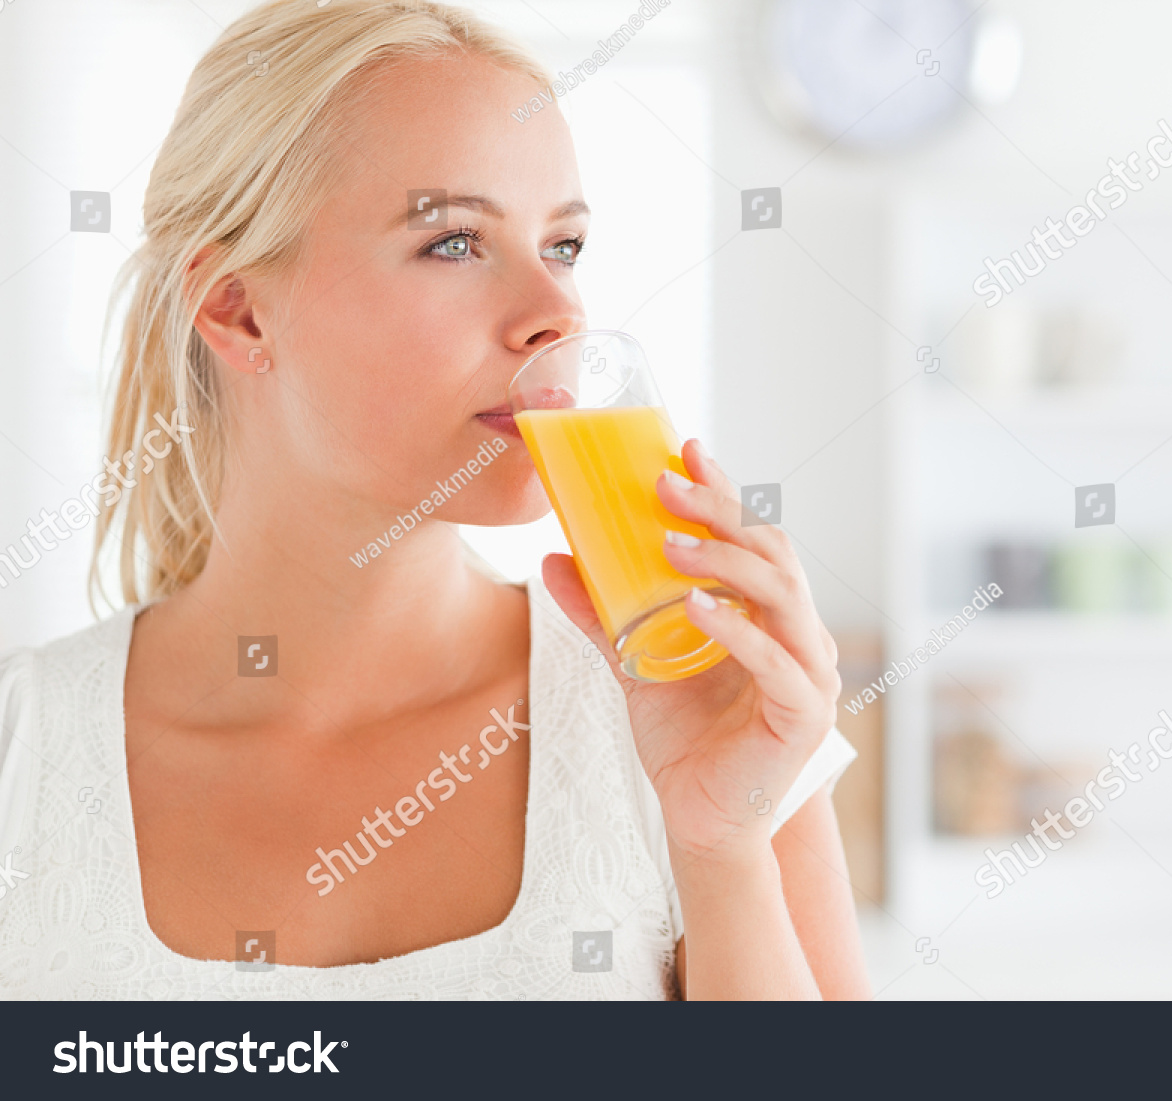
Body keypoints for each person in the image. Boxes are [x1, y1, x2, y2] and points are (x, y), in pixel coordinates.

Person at [0, 0, 868, 1000]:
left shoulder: (708, 715)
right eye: (455, 242)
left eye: (564, 246)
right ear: (238, 309)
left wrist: (722, 852)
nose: (560, 313)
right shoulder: (25, 753)